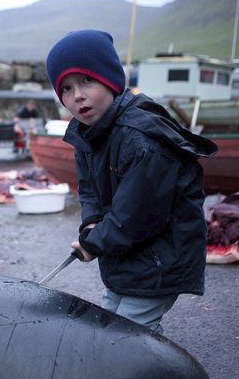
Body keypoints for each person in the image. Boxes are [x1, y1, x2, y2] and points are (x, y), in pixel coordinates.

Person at [45, 29, 217, 334]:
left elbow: (136, 217)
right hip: (126, 257)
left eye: (87, 80)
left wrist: (93, 243)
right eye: (67, 89)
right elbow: (89, 190)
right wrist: (90, 223)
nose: (78, 95)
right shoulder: (88, 132)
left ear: (110, 79)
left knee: (132, 334)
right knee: (108, 324)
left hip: (159, 258)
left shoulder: (143, 142)